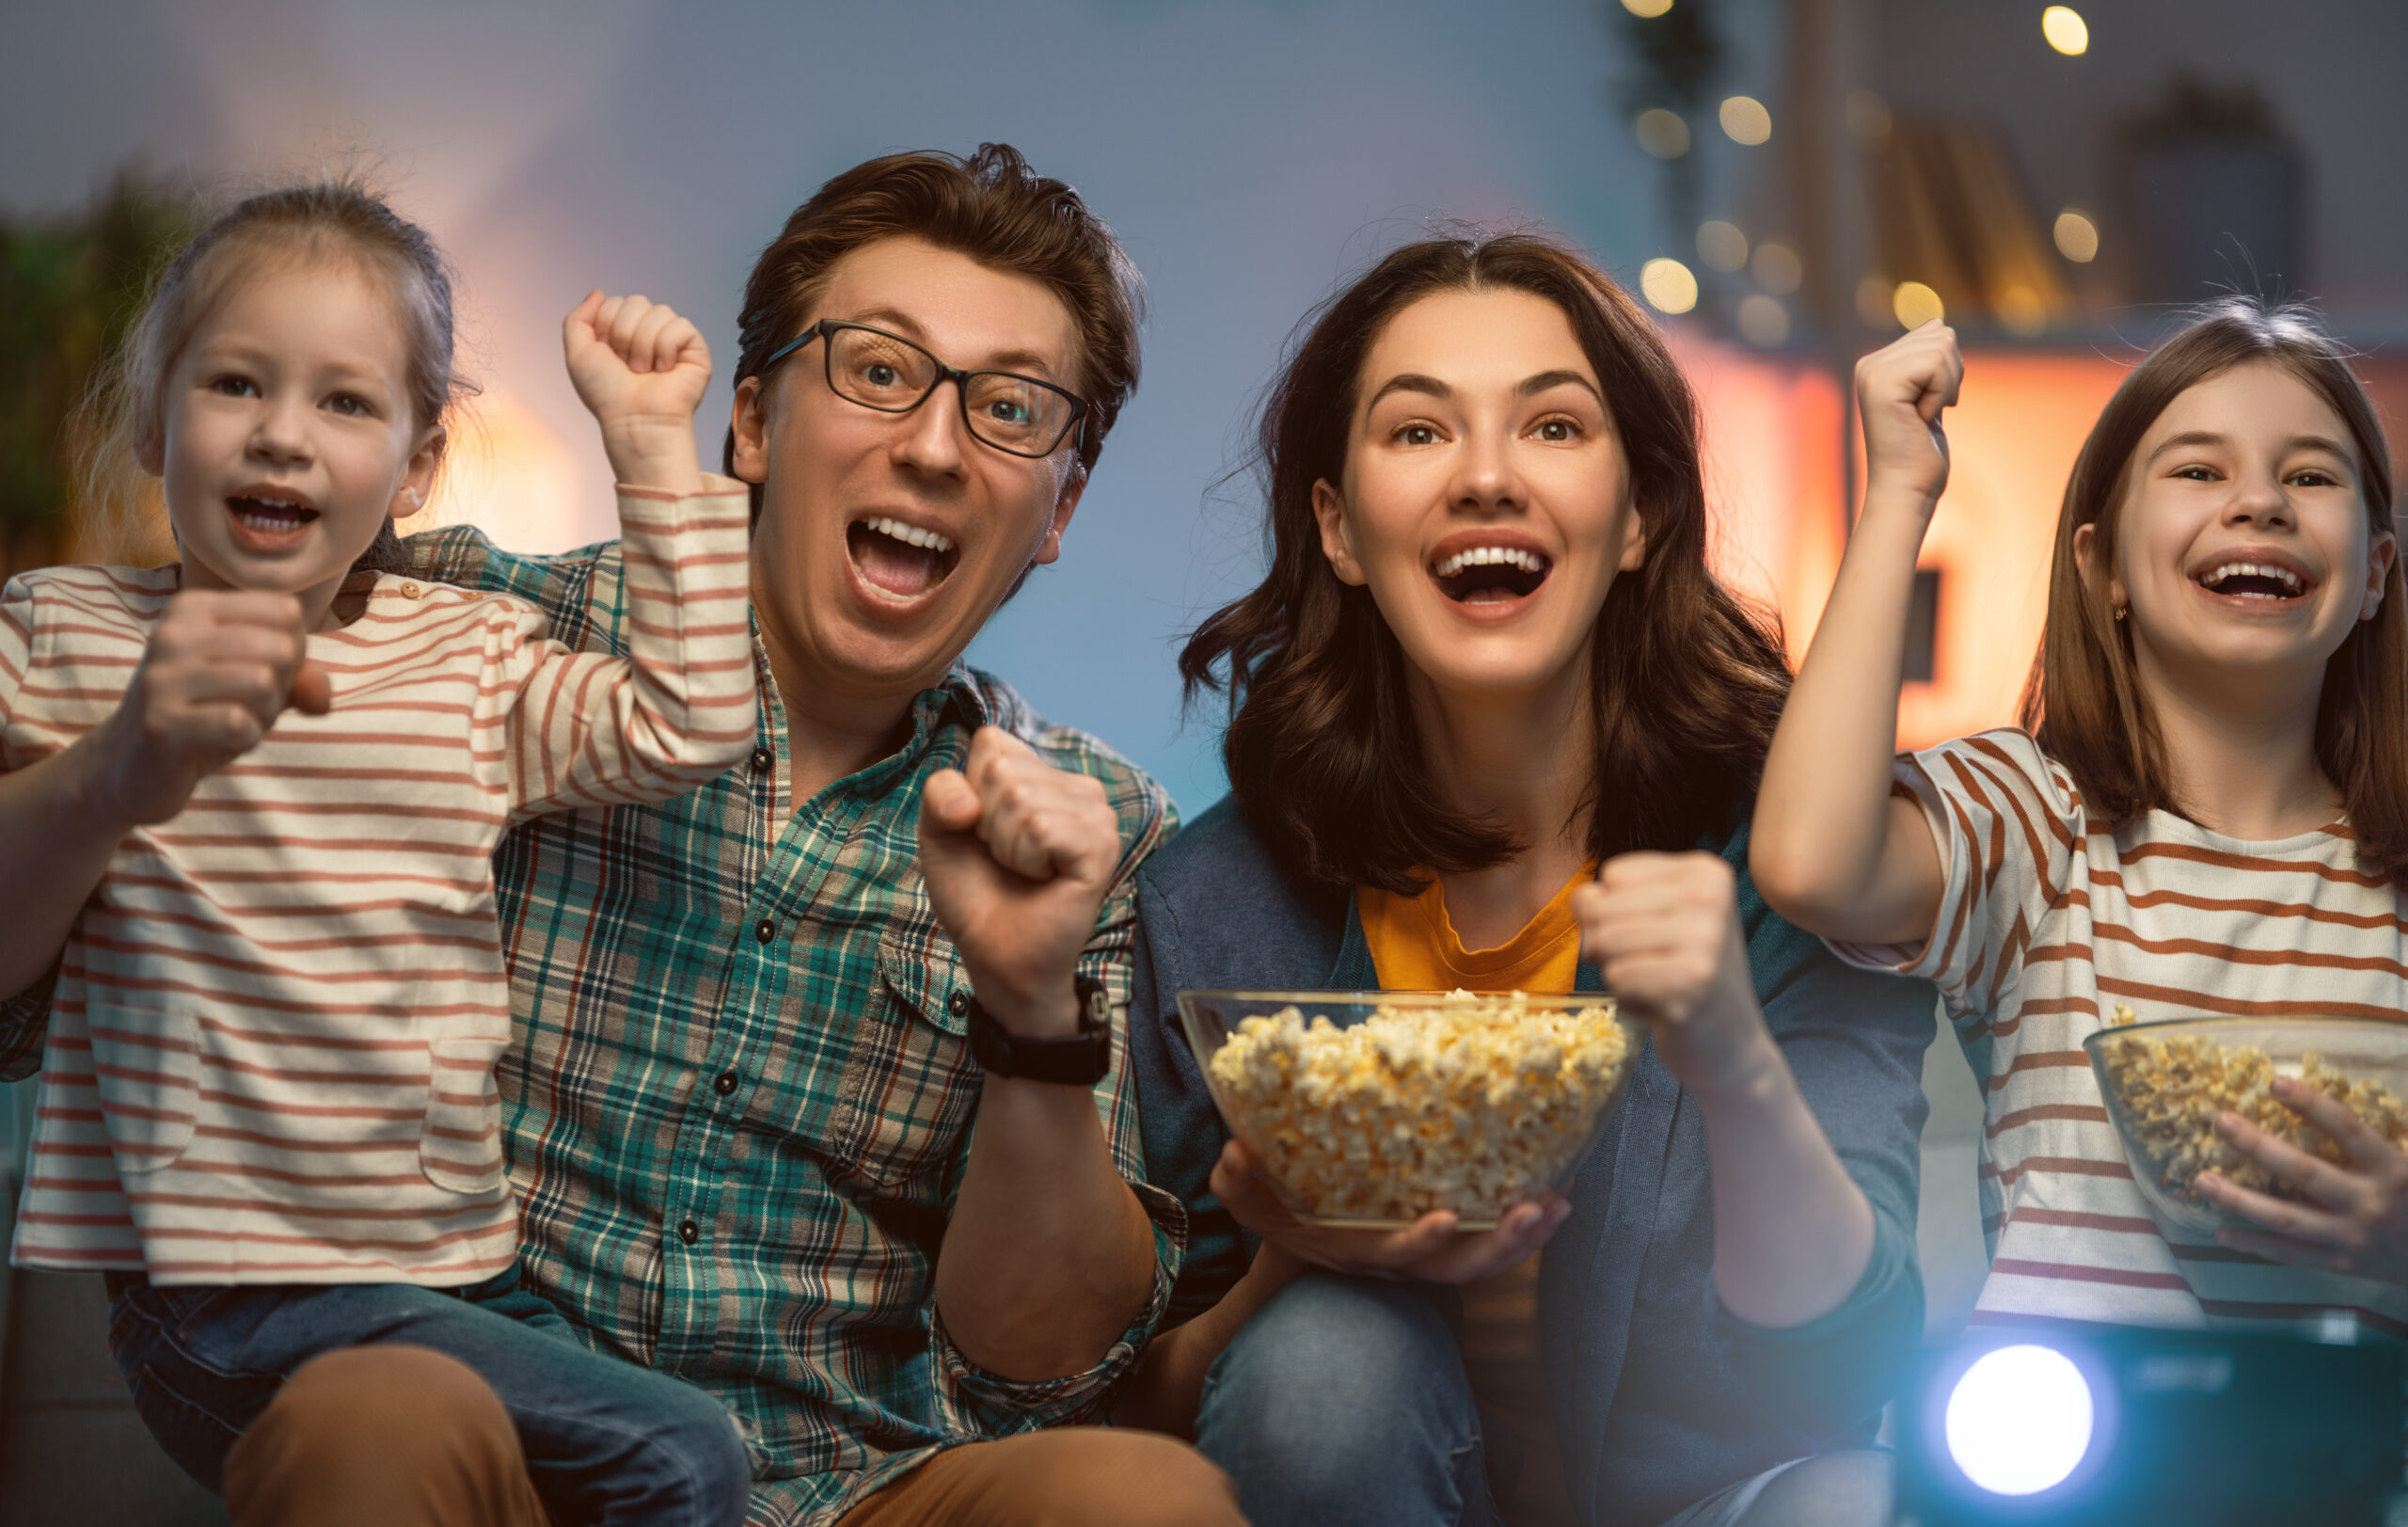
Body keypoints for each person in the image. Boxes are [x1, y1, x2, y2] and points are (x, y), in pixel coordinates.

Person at [0, 144, 1245, 1527]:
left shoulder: (1099, 832)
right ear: (756, 422)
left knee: (1148, 1501)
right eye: (880, 371)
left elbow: (1038, 1366)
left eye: (1010, 409)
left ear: (1058, 505)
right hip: (472, 1431)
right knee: (377, 1415)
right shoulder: (463, 636)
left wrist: (1029, 1006)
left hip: (850, 1479)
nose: (937, 445)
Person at [1118, 231, 1937, 1527]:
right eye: (1418, 432)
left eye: (1554, 427)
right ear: (1335, 525)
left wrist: (1731, 1057)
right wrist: (1296, 1249)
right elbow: (1114, 1418)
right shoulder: (1216, 901)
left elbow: (1849, 1367)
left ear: (1641, 517)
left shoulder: (1795, 860)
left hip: (1713, 1500)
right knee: (1323, 1365)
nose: (1488, 477)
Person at [0, 180, 759, 1522]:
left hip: (458, 1273)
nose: (282, 435)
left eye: (345, 401)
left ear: (415, 466)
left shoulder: (466, 655)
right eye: (235, 382)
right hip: (221, 1298)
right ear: (149, 417)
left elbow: (689, 719)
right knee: (681, 1454)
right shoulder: (60, 631)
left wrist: (649, 443)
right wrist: (122, 756)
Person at [1751, 301, 2408, 1329]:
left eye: (2312, 476)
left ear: (2372, 573)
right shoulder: (2037, 824)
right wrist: (1898, 495)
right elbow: (1808, 863)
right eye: (2197, 470)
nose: (2260, 502)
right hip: (2090, 1471)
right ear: (2101, 568)